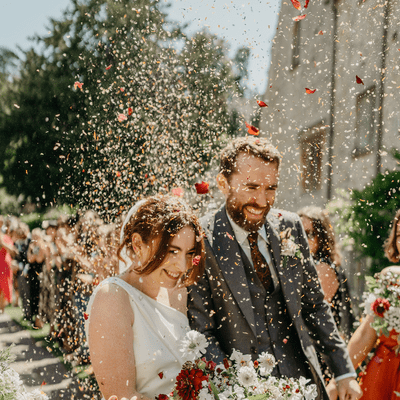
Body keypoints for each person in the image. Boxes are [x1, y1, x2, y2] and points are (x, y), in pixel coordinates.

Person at [187, 136, 362, 400]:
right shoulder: (202, 238)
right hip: (242, 391)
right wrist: (237, 389)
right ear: (224, 183)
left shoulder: (290, 226)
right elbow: (201, 332)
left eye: (271, 188)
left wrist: (344, 372)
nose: (261, 201)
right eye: (251, 187)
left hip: (304, 386)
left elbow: (315, 306)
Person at [86, 195, 205, 400]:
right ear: (137, 244)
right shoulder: (112, 298)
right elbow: (121, 395)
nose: (183, 266)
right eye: (172, 251)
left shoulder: (178, 292)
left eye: (188, 253)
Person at [327, 209, 400, 399]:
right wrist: (340, 378)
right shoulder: (390, 278)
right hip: (383, 373)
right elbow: (367, 333)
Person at [297, 206, 355, 342]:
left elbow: (305, 312)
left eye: (309, 234)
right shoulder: (307, 264)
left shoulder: (323, 269)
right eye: (298, 233)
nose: (303, 239)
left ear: (321, 236)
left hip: (319, 347)